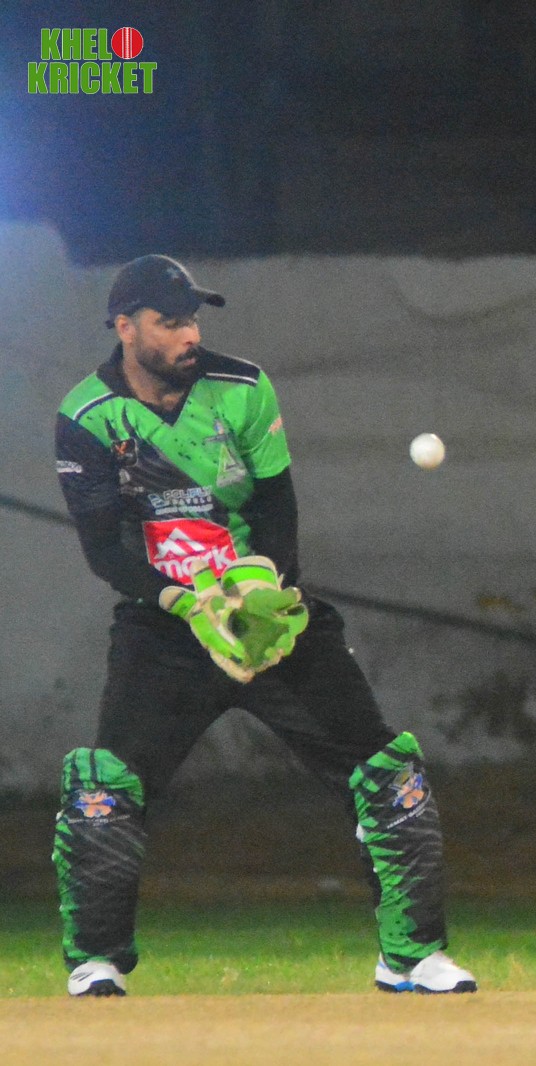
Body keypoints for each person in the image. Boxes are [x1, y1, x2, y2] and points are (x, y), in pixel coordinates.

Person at [52, 255, 477, 997]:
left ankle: (412, 957)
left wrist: (261, 591)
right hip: (166, 629)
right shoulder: (87, 417)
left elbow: (277, 509)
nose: (190, 334)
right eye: (170, 321)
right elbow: (103, 549)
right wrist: (185, 602)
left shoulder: (243, 388)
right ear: (125, 327)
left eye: (193, 319)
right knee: (104, 793)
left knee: (387, 775)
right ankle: (97, 961)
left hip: (267, 620)